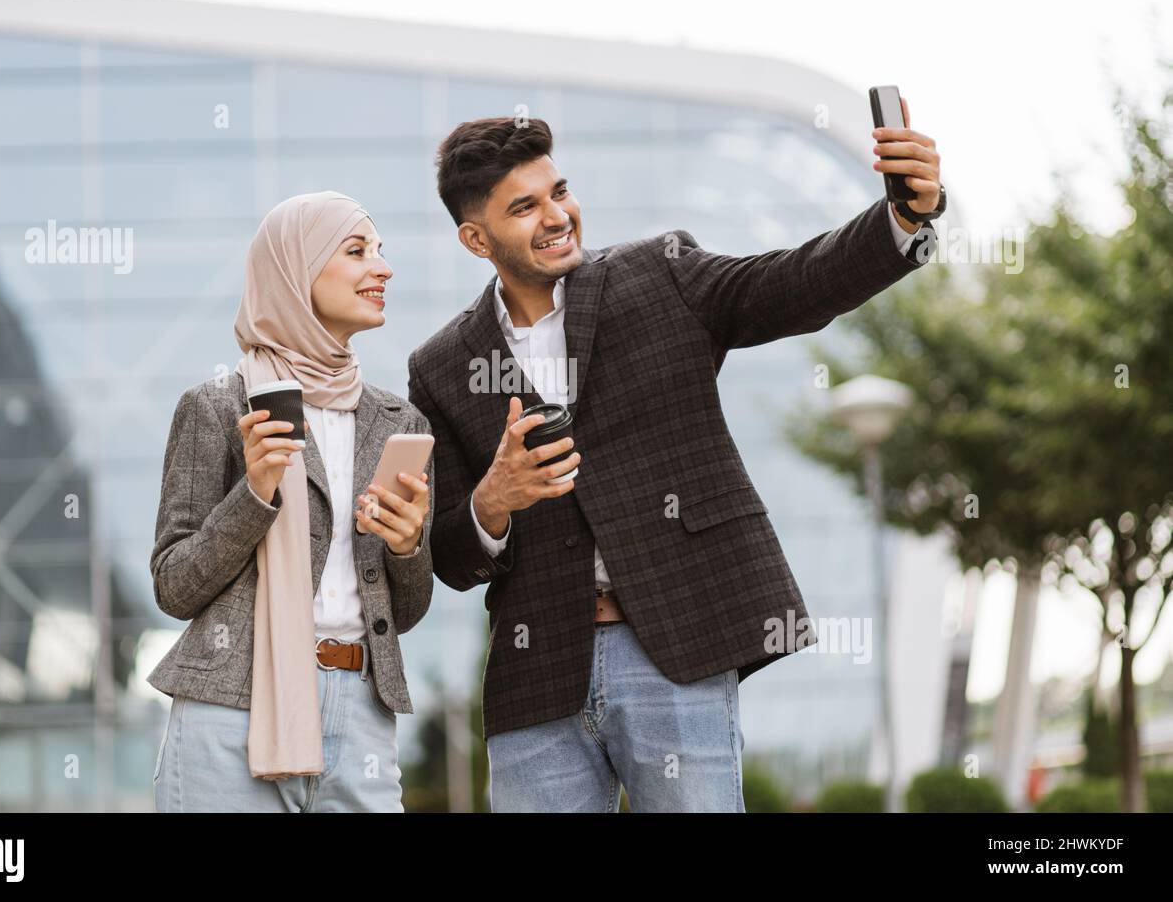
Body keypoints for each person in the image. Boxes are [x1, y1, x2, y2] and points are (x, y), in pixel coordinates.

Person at [407, 109, 944, 811]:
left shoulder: (659, 273)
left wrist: (903, 216)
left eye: (558, 192)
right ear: (475, 238)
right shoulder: (442, 365)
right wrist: (494, 500)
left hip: (673, 644)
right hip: (537, 674)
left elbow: (794, 284)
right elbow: (449, 556)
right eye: (524, 207)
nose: (556, 215)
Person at [148, 191, 434, 812]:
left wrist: (409, 547)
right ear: (294, 270)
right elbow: (174, 586)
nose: (382, 268)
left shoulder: (397, 421)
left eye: (381, 252)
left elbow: (405, 611)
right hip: (230, 710)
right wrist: (253, 494)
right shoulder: (219, 407)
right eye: (357, 251)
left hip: (361, 710)